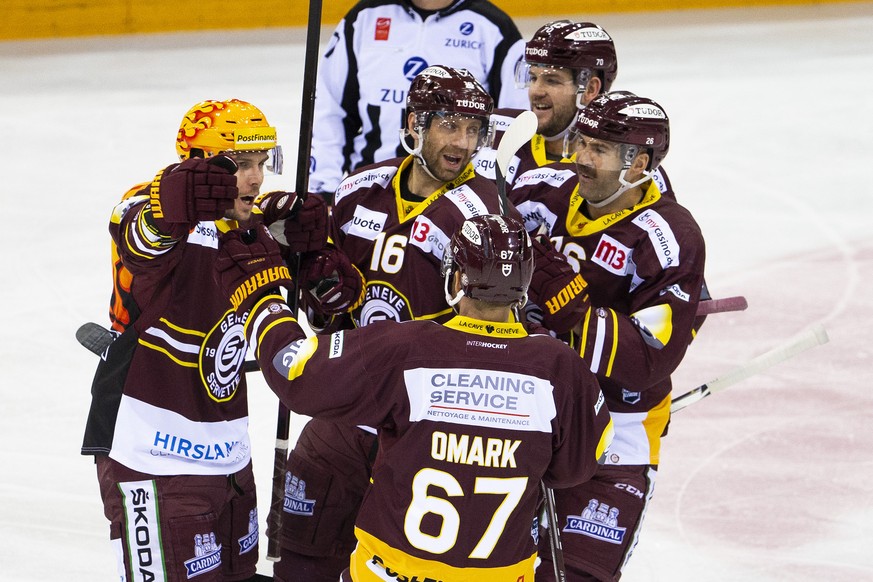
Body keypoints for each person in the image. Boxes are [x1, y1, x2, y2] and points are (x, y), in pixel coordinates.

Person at [213, 213, 615, 581]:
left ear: (457, 280)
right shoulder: (559, 366)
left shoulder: (409, 348)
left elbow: (294, 371)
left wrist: (264, 300)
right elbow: (578, 466)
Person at [268, 65, 520, 581]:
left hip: (416, 429)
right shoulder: (360, 189)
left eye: (474, 130)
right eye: (450, 125)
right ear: (414, 124)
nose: (463, 143)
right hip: (341, 410)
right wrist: (315, 275)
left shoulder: (483, 215)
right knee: (301, 557)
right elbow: (326, 307)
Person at [80, 99, 327, 582]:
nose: (256, 179)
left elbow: (294, 326)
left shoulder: (255, 227)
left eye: (262, 162)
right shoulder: (149, 207)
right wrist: (170, 206)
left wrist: (311, 260)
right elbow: (138, 237)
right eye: (238, 165)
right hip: (150, 454)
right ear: (195, 162)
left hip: (229, 454)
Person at [509, 91, 707, 581]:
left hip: (617, 432)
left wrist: (572, 309)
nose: (580, 157)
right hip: (523, 412)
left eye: (598, 149)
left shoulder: (669, 236)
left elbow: (648, 357)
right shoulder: (538, 192)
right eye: (580, 141)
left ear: (638, 164)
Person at [308, 0, 528, 203]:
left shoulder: (493, 28)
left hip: (457, 202)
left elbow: (513, 126)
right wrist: (323, 192)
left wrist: (487, 199)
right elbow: (329, 113)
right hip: (370, 196)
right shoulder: (364, 18)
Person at [474, 20, 619, 189]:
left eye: (552, 81)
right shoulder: (492, 130)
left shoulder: (613, 170)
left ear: (589, 89)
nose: (535, 91)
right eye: (533, 78)